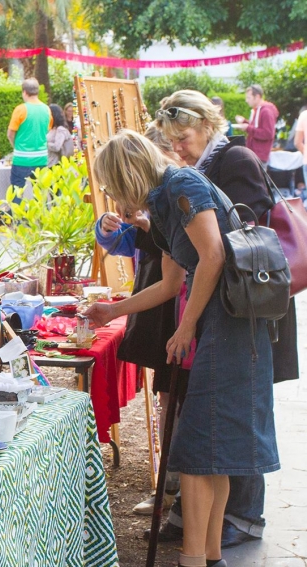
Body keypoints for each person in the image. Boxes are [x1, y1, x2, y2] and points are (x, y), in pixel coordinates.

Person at [86, 129, 279, 567]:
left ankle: (192, 559)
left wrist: (187, 326)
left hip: (230, 325)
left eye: (112, 184)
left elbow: (212, 256)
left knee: (197, 450)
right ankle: (209, 557)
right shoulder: (163, 201)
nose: (112, 194)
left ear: (125, 173)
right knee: (212, 451)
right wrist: (111, 310)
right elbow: (170, 283)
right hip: (220, 324)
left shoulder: (182, 185)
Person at [150, 90, 298, 549]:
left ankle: (245, 516)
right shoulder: (200, 169)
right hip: (231, 301)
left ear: (207, 124)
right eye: (171, 141)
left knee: (240, 415)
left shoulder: (233, 159)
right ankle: (208, 524)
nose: (178, 147)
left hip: (250, 299)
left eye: (185, 137)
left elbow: (238, 234)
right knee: (229, 413)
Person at [95, 126, 188, 517]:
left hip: (180, 313)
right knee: (169, 398)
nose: (116, 198)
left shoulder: (174, 195)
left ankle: (179, 497)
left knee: (178, 402)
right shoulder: (160, 197)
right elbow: (132, 245)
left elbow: (176, 279)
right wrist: (111, 227)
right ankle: (174, 493)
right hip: (163, 306)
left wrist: (115, 311)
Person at [7, 78, 52, 188]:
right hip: (41, 158)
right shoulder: (46, 109)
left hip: (22, 158)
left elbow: (10, 134)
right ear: (37, 91)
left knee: (16, 193)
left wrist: (15, 146)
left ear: (24, 92)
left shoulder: (20, 109)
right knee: (40, 195)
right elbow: (48, 131)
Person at [232, 84, 278, 166]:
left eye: (248, 98)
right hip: (255, 154)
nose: (246, 100)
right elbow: (257, 128)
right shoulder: (258, 110)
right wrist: (245, 122)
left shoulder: (266, 111)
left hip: (259, 156)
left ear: (257, 97)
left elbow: (268, 134)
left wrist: (247, 128)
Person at [46, 103, 74, 167]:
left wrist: (45, 143)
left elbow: (57, 147)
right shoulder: (53, 129)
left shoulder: (60, 130)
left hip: (56, 164)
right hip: (50, 162)